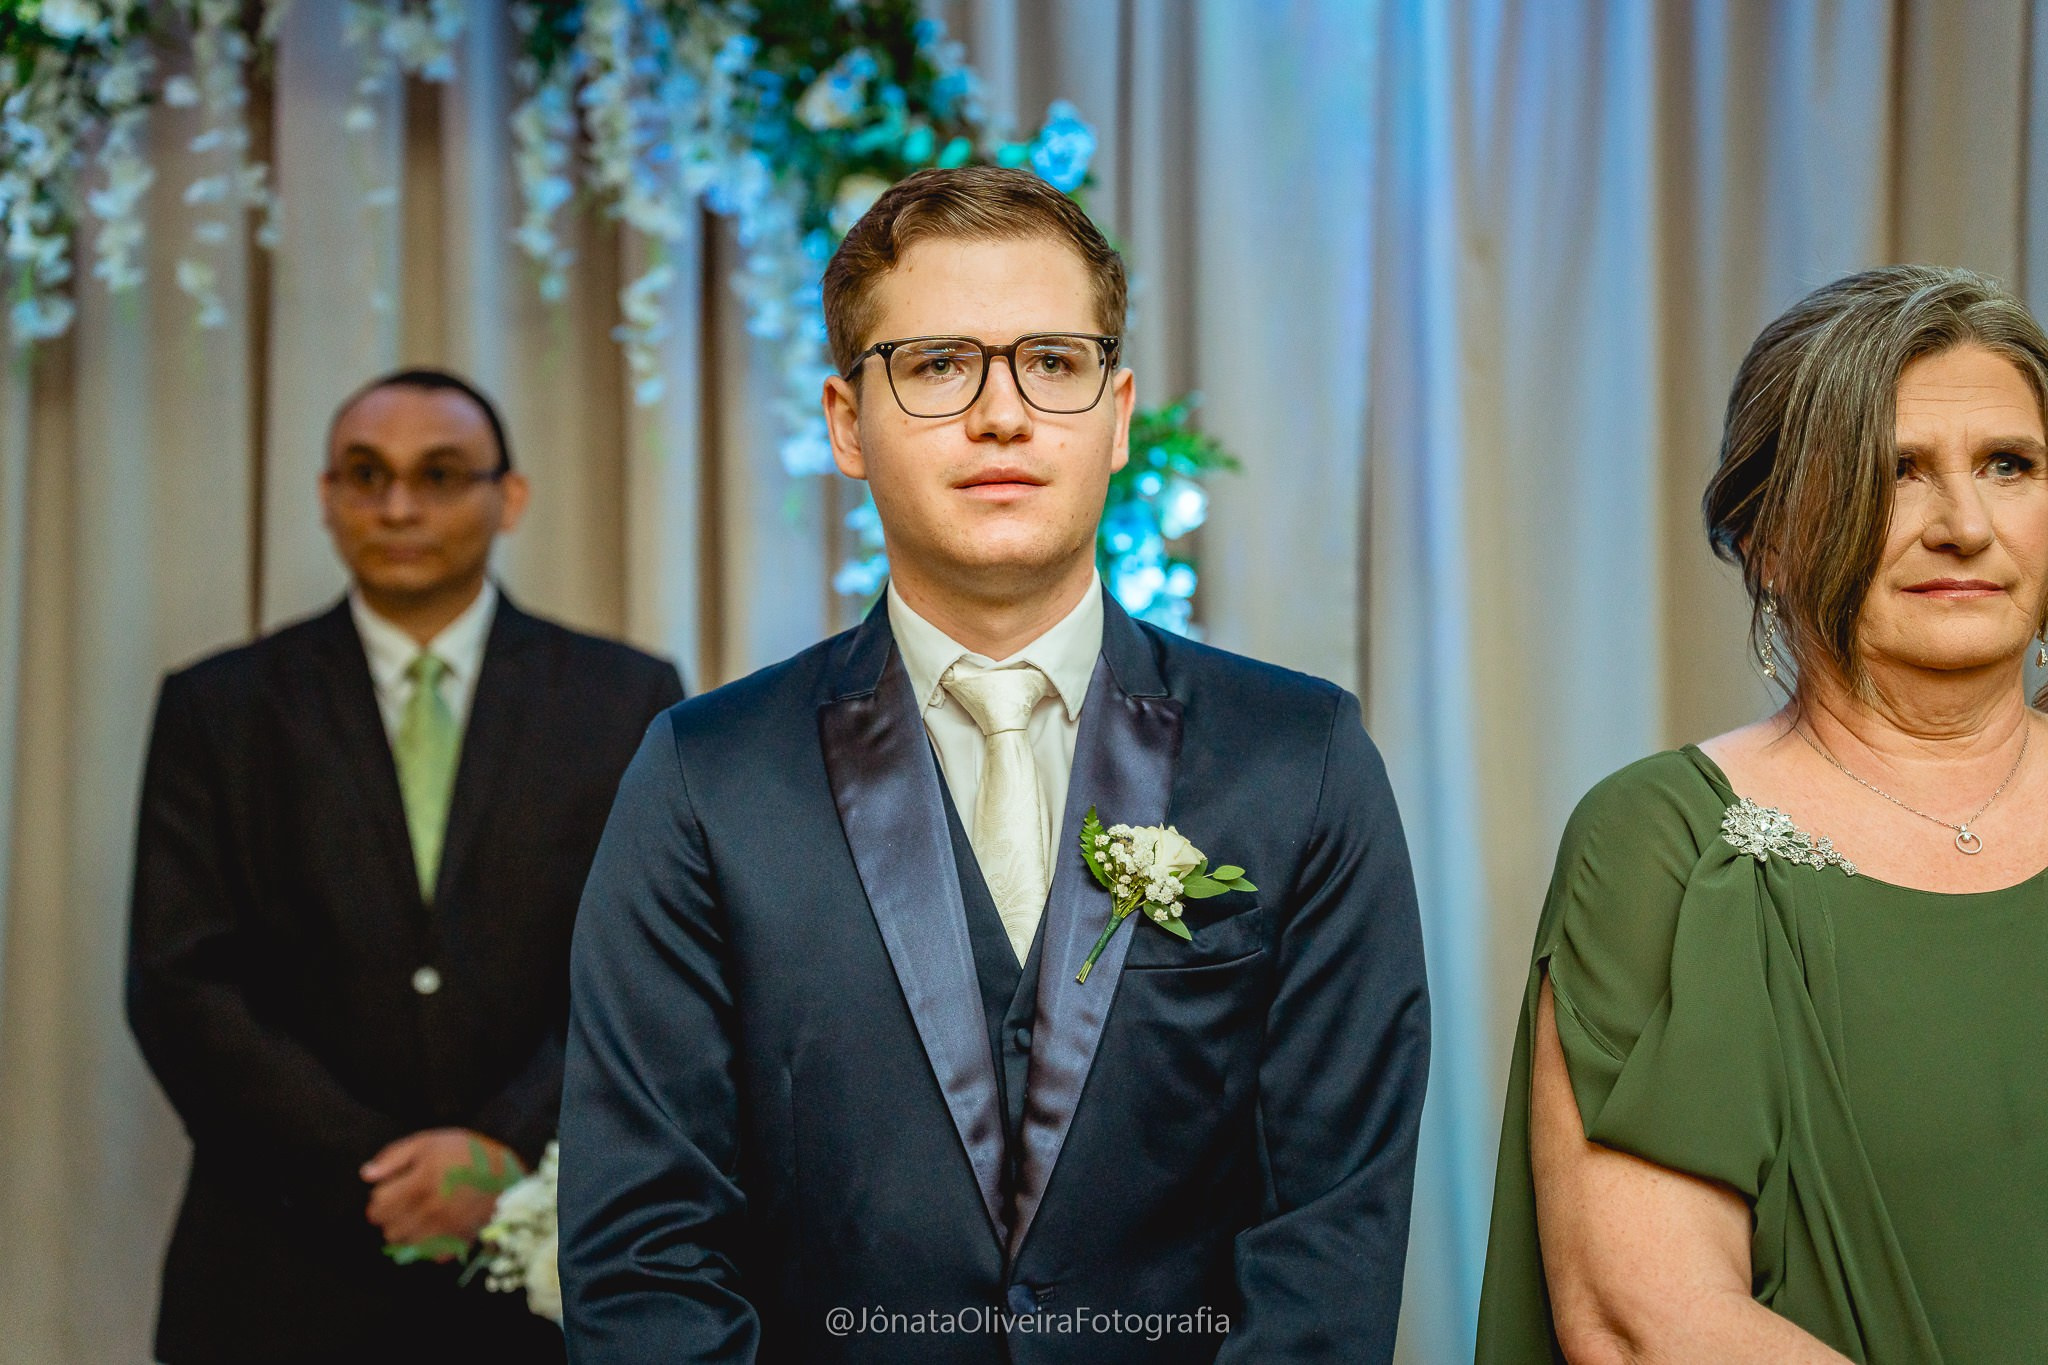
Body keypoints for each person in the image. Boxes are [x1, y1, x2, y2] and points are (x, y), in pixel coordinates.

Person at [557, 166, 1430, 1364]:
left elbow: (1331, 1236)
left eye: (1052, 363)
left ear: (1116, 412)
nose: (1002, 415)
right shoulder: (703, 776)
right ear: (844, 422)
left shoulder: (1303, 759)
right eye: (934, 365)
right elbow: (645, 1253)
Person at [1477, 265, 2048, 1363]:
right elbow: (1646, 1323)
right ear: (1768, 537)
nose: (1963, 524)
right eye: (1894, 474)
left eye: (2008, 466)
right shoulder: (1663, 843)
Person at [127, 368, 685, 1365]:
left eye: (438, 474)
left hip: (537, 1266)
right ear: (327, 495)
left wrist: (505, 1147)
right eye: (365, 475)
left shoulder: (622, 697)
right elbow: (179, 984)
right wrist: (376, 1172)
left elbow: (651, 967)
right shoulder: (219, 708)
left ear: (505, 497)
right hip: (276, 1266)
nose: (397, 506)